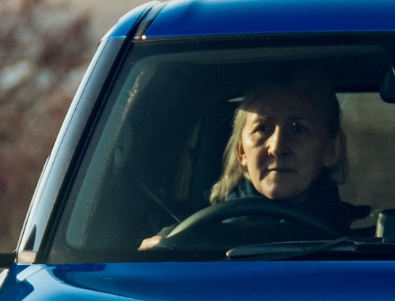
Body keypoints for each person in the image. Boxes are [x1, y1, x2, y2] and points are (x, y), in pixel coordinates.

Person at [140, 74, 368, 249]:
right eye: (262, 129)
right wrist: (158, 254)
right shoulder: (182, 243)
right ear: (241, 152)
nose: (277, 147)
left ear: (332, 148)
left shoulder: (366, 254)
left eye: (298, 129)